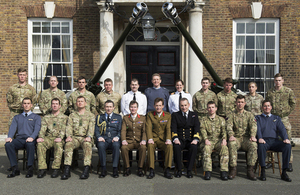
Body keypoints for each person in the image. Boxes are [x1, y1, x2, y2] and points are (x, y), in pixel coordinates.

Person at [266, 73, 296, 172]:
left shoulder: (288, 91)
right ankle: (271, 161)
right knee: (271, 138)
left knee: (287, 140)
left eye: (279, 80)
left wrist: (286, 112)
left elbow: (293, 103)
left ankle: (288, 163)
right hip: (273, 119)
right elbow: (267, 104)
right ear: (274, 81)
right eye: (276, 80)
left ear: (282, 81)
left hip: (283, 119)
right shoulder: (270, 92)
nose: (278, 82)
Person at [256, 100, 292, 182]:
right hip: (264, 141)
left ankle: (284, 172)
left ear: (271, 107)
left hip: (274, 141)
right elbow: (257, 129)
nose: (267, 107)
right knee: (261, 146)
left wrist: (285, 138)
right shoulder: (258, 118)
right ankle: (263, 171)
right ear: (262, 108)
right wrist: (260, 138)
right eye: (265, 106)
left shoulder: (276, 118)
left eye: (268, 106)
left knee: (287, 146)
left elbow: (282, 129)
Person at [5, 97, 41, 178]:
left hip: (30, 139)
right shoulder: (17, 117)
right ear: (22, 105)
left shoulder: (36, 117)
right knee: (8, 145)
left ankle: (30, 168)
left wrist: (32, 137)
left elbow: (37, 129)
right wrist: (10, 137)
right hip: (19, 139)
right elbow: (12, 128)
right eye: (24, 103)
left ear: (31, 105)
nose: (26, 105)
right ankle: (15, 168)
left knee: (30, 145)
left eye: (28, 103)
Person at [61, 96, 95, 180]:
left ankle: (86, 169)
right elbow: (69, 127)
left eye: (82, 101)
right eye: (78, 101)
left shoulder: (90, 115)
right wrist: (68, 136)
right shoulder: (72, 115)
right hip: (74, 138)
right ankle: (67, 169)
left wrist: (89, 136)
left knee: (87, 145)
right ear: (76, 103)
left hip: (85, 138)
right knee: (68, 144)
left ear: (85, 103)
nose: (80, 103)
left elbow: (91, 127)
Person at [227, 95, 257, 180]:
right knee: (232, 144)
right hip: (236, 138)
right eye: (238, 102)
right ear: (236, 103)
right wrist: (231, 135)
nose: (240, 104)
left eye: (242, 102)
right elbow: (229, 126)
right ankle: (233, 169)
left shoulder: (249, 115)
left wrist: (252, 136)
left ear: (245, 103)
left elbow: (253, 126)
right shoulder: (231, 114)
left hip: (246, 138)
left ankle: (250, 170)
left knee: (253, 145)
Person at [36, 98, 68, 178]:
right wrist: (41, 137)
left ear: (60, 106)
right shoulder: (46, 117)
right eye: (53, 104)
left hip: (59, 138)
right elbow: (43, 129)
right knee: (40, 144)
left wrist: (60, 137)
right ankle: (42, 168)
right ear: (51, 105)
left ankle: (56, 168)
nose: (54, 105)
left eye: (56, 104)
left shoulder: (64, 117)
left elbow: (64, 129)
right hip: (49, 138)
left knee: (58, 145)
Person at [171, 98, 200, 178]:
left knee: (194, 147)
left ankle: (189, 170)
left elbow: (197, 128)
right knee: (176, 147)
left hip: (190, 139)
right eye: (182, 105)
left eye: (185, 105)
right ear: (179, 106)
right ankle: (179, 170)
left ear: (189, 105)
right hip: (180, 139)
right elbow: (173, 128)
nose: (184, 107)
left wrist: (195, 139)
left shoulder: (194, 115)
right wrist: (175, 138)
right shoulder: (175, 115)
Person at [192, 77, 218, 167]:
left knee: (212, 136)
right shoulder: (197, 94)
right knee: (201, 138)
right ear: (201, 83)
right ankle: (199, 158)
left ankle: (212, 159)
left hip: (210, 117)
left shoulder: (213, 95)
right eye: (203, 83)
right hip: (200, 118)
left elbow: (216, 106)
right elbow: (194, 107)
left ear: (209, 84)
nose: (205, 84)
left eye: (206, 83)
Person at [200, 101, 228, 180]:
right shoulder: (203, 120)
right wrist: (205, 139)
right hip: (208, 140)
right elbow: (203, 130)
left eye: (212, 107)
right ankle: (208, 171)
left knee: (224, 148)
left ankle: (223, 171)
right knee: (206, 148)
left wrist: (224, 139)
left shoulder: (221, 119)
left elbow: (224, 131)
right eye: (209, 107)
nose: (211, 109)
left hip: (218, 140)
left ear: (216, 108)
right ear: (207, 109)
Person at [146, 98, 173, 179]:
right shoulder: (150, 115)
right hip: (153, 138)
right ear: (154, 106)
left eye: (160, 105)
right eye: (156, 105)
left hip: (163, 139)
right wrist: (150, 138)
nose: (158, 107)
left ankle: (167, 169)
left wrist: (168, 139)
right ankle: (151, 169)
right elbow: (148, 128)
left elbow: (168, 128)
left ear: (163, 106)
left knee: (169, 147)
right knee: (150, 146)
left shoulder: (168, 115)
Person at [95, 100, 122, 178]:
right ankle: (103, 169)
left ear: (113, 107)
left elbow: (120, 130)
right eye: (107, 107)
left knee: (116, 146)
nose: (108, 108)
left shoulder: (118, 117)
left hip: (114, 139)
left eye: (110, 107)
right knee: (100, 145)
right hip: (103, 139)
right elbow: (96, 129)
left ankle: (115, 168)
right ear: (104, 107)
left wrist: (118, 137)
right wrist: (99, 137)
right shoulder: (99, 117)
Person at [121, 100, 147, 177]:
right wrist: (124, 140)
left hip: (139, 141)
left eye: (134, 107)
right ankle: (127, 168)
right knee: (123, 148)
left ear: (137, 108)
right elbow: (123, 130)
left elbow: (144, 131)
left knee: (143, 147)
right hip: (129, 141)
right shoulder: (125, 118)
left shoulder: (142, 118)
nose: (133, 109)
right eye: (131, 107)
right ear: (129, 108)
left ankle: (140, 168)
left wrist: (144, 140)